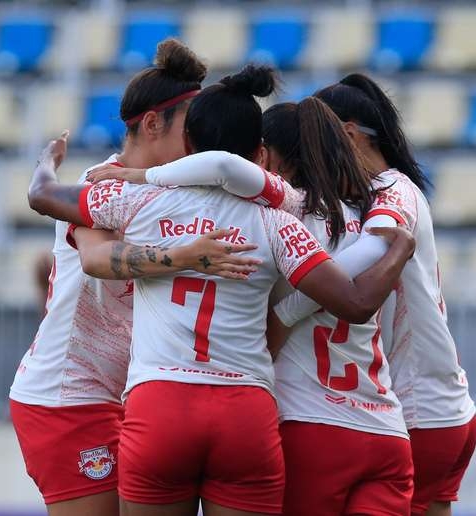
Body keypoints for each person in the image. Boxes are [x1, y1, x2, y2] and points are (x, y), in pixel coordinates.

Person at [27, 65, 415, 516]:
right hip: (245, 413)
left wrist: (47, 163)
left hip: (161, 405)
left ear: (189, 144)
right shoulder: (279, 218)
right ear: (260, 152)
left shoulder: (135, 200)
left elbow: (42, 196)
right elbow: (356, 303)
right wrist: (398, 250)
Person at [10, 39, 259, 516]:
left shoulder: (175, 190)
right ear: (152, 124)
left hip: (125, 397)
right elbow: (97, 258)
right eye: (190, 128)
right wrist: (186, 257)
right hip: (68, 396)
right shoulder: (103, 181)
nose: (199, 143)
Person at [313, 74, 476, 516]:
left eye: (317, 141)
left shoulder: (390, 190)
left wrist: (295, 288)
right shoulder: (394, 189)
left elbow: (377, 244)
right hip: (444, 403)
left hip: (418, 407)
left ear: (349, 135)